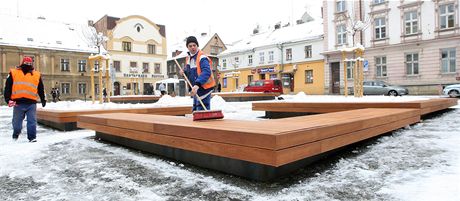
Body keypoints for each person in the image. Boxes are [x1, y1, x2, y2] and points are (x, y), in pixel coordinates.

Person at [3, 57, 46, 142]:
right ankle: (16, 133)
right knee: (17, 123)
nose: (28, 65)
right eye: (26, 63)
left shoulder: (36, 74)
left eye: (30, 63)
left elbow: (40, 88)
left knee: (32, 121)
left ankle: (32, 137)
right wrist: (8, 99)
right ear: (22, 63)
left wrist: (43, 99)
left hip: (31, 103)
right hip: (18, 103)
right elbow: (8, 87)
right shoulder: (14, 72)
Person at [179, 36, 216, 111]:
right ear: (187, 47)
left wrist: (197, 84)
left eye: (194, 45)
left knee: (202, 111)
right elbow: (190, 73)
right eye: (190, 46)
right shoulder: (189, 58)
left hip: (204, 88)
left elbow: (206, 72)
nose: (193, 47)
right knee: (195, 110)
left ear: (197, 46)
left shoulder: (202, 57)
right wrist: (183, 73)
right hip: (196, 89)